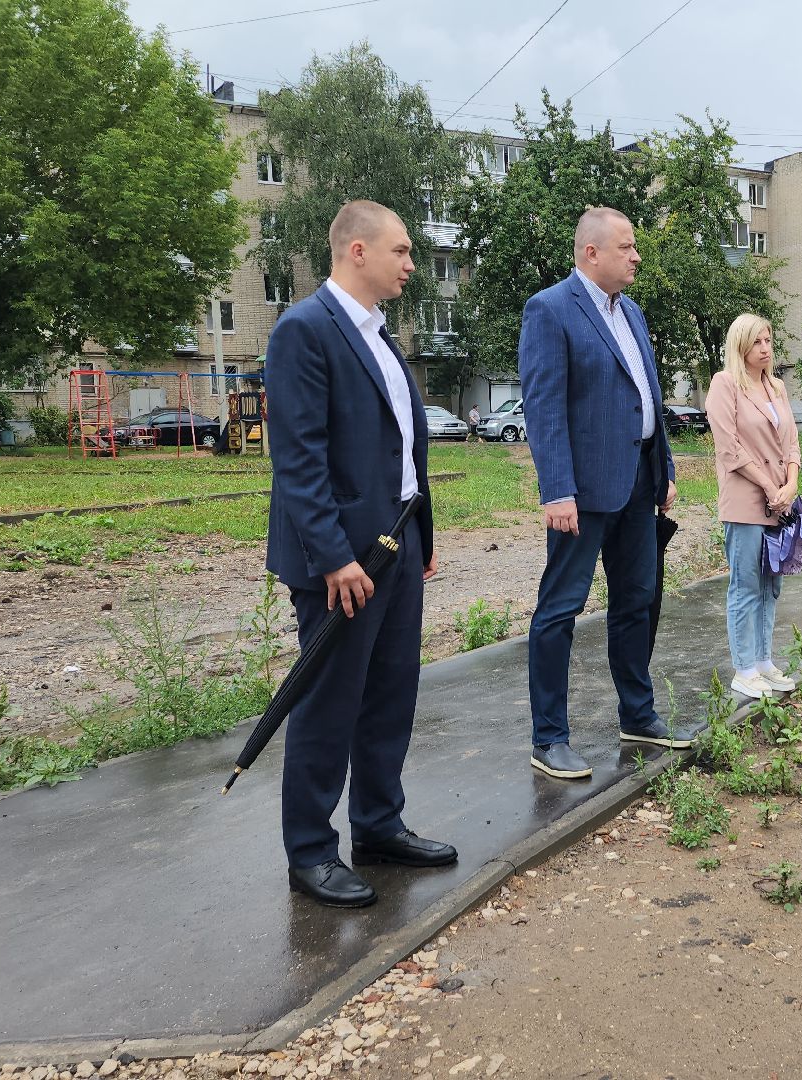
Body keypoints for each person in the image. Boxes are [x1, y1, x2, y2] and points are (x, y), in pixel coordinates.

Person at [264, 200, 455, 907]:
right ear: (357, 252)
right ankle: (310, 851)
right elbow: (299, 459)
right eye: (402, 252)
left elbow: (400, 449)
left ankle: (379, 825)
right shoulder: (304, 331)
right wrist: (334, 557)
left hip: (395, 547)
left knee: (388, 694)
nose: (411, 265)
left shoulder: (380, 335)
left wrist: (419, 538)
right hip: (341, 561)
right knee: (328, 702)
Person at [519, 206, 684, 780]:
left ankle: (638, 715)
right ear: (592, 252)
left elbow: (648, 399)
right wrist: (556, 489)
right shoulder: (550, 310)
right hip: (582, 494)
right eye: (627, 247)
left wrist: (662, 467)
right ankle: (550, 737)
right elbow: (543, 408)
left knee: (637, 601)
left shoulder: (631, 313)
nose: (636, 256)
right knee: (560, 610)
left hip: (639, 484)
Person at [704, 314, 801, 700]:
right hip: (746, 501)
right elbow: (729, 449)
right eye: (757, 342)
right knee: (745, 585)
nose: (765, 348)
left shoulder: (777, 386)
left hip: (779, 502)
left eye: (768, 340)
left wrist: (791, 484)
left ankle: (763, 661)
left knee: (770, 586)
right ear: (741, 346)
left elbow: (792, 442)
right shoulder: (724, 384)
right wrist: (769, 485)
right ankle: (743, 668)